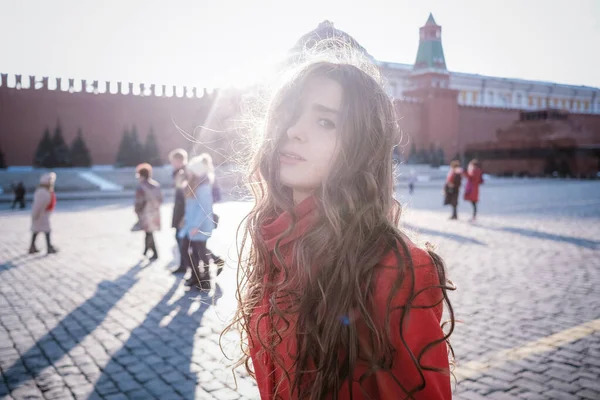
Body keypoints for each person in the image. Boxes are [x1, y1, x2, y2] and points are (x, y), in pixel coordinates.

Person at [224, 59, 455, 399]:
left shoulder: (395, 270)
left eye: (324, 121)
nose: (293, 130)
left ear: (361, 146)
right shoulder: (274, 245)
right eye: (290, 114)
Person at [178, 153, 224, 290]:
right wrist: (185, 221)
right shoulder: (194, 184)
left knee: (200, 252)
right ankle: (196, 276)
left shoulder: (203, 186)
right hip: (190, 224)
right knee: (188, 250)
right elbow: (191, 207)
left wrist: (195, 226)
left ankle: (204, 280)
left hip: (198, 225)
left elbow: (204, 209)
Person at [134, 163, 162, 261]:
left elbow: (139, 202)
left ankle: (153, 252)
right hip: (155, 212)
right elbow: (160, 199)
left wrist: (137, 211)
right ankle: (146, 250)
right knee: (149, 232)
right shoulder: (156, 185)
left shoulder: (141, 187)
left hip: (145, 213)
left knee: (149, 232)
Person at [169, 148, 188, 273]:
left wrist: (184, 216)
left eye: (174, 161)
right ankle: (183, 265)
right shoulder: (178, 172)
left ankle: (215, 259)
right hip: (179, 210)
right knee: (183, 240)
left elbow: (186, 197)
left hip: (184, 211)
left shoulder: (184, 173)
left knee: (189, 241)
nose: (172, 163)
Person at [29, 173, 58, 254]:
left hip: (44, 215)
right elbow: (37, 205)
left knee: (37, 231)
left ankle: (33, 247)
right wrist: (35, 215)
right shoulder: (42, 192)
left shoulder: (46, 191)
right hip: (41, 215)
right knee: (45, 231)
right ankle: (48, 247)